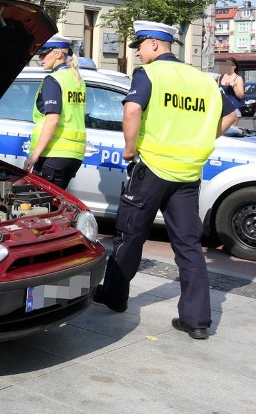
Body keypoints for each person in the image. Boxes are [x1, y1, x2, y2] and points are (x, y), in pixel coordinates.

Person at [92, 20, 238, 340]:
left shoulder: (150, 74)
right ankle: (197, 320)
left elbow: (132, 110)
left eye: (140, 46)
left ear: (155, 45)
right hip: (188, 173)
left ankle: (115, 297)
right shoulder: (202, 80)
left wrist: (130, 149)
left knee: (130, 236)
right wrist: (202, 139)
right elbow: (232, 115)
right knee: (188, 246)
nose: (138, 54)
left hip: (152, 169)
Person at [22, 35, 86, 190]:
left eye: (44, 53)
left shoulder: (53, 79)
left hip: (53, 154)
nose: (40, 58)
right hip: (74, 156)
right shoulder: (77, 79)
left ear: (58, 54)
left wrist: (34, 155)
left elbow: (52, 120)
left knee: (45, 206)